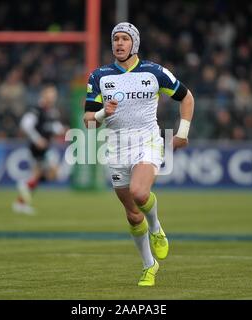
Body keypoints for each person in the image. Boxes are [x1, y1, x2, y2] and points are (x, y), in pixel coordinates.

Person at [83, 22, 194, 286]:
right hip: (117, 147)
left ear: (135, 43)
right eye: (115, 39)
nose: (119, 43)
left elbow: (187, 97)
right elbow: (88, 121)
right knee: (133, 214)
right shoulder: (99, 77)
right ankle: (149, 265)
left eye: (124, 39)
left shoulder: (154, 72)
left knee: (140, 192)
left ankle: (156, 227)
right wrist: (101, 113)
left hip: (147, 141)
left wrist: (183, 132)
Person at [12, 85, 65, 214]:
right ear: (43, 95)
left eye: (54, 95)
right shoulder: (36, 110)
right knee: (50, 172)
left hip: (46, 147)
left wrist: (62, 130)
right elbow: (25, 125)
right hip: (36, 148)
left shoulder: (51, 111)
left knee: (49, 174)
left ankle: (21, 199)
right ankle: (23, 190)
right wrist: (37, 139)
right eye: (50, 94)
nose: (53, 98)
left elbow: (53, 126)